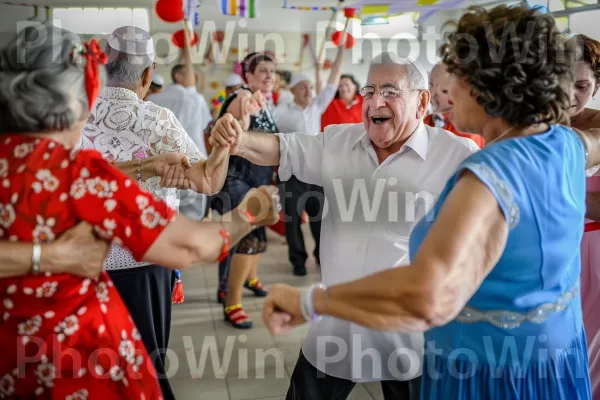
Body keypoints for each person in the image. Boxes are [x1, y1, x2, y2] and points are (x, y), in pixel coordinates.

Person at [262, 4, 596, 399]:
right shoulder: (565, 145)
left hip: (496, 372)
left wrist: (310, 301)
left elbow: (429, 295)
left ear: (487, 87)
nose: (446, 95)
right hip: (556, 362)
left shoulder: (486, 177)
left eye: (456, 79)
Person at [0, 23, 280, 398]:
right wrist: (251, 212)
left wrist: (145, 167)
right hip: (74, 358)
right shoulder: (79, 173)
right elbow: (194, 245)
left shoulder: (23, 162)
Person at [210, 51, 480, 398]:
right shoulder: (340, 141)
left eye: (390, 91)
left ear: (422, 100)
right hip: (336, 324)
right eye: (369, 91)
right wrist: (239, 140)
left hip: (411, 332)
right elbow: (282, 149)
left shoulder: (456, 155)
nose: (374, 101)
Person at [78, 25, 230, 399]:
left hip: (80, 260)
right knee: (146, 361)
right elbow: (208, 182)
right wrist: (224, 146)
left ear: (105, 67)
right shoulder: (156, 120)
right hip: (143, 262)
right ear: (148, 74)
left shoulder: (76, 115)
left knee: (90, 362)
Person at [211, 51, 279, 329]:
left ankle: (246, 279)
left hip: (259, 177)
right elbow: (233, 135)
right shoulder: (241, 98)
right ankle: (231, 301)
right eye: (262, 71)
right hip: (237, 177)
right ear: (247, 75)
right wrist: (246, 117)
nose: (269, 76)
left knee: (257, 233)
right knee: (243, 237)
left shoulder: (266, 101)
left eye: (272, 71)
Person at [272, 44, 344, 276]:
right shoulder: (280, 111)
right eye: (303, 87)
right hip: (290, 172)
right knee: (292, 221)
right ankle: (298, 262)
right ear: (292, 90)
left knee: (320, 219)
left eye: (311, 87)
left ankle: (322, 257)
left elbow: (332, 83)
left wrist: (341, 52)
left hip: (316, 172)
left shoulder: (316, 107)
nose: (308, 90)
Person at [571, 33, 600, 399]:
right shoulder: (535, 126)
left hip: (593, 251)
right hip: (551, 250)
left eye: (581, 85)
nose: (570, 94)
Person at [425, 63, 485, 148]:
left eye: (443, 88)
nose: (431, 93)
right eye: (431, 84)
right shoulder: (428, 120)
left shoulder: (466, 128)